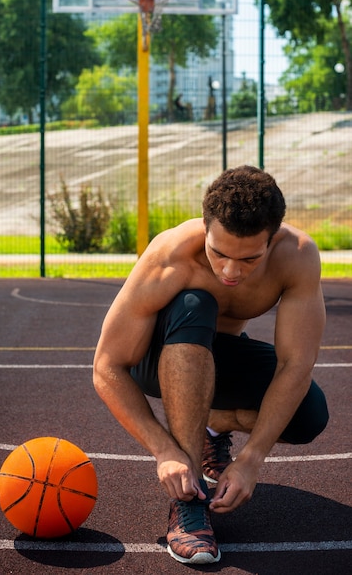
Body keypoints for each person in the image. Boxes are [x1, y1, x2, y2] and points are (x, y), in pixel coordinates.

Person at [93, 165, 329, 565]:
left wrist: (252, 458)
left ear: (273, 240)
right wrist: (164, 450)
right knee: (195, 303)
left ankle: (211, 423)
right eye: (218, 253)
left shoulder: (298, 257)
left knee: (308, 416)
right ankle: (189, 504)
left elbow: (294, 365)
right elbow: (107, 366)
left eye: (249, 259)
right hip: (157, 358)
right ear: (205, 227)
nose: (230, 271)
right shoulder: (171, 255)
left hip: (217, 356)